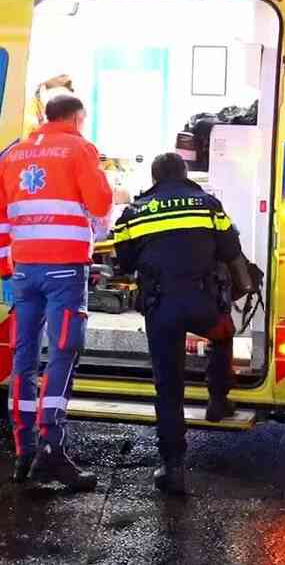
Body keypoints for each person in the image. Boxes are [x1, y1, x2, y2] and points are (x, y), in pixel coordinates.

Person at [0, 92, 113, 490]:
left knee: (23, 358)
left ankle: (23, 450)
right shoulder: (79, 148)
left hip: (23, 271)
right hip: (64, 270)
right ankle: (52, 450)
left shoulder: (12, 155)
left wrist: (7, 271)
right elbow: (101, 202)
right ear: (77, 118)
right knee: (62, 353)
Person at [111, 152, 245, 495]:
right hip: (203, 305)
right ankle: (218, 399)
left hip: (162, 307)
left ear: (155, 178)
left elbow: (123, 263)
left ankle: (173, 468)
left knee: (168, 386)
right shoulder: (209, 205)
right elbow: (231, 249)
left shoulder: (134, 212)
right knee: (223, 333)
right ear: (185, 173)